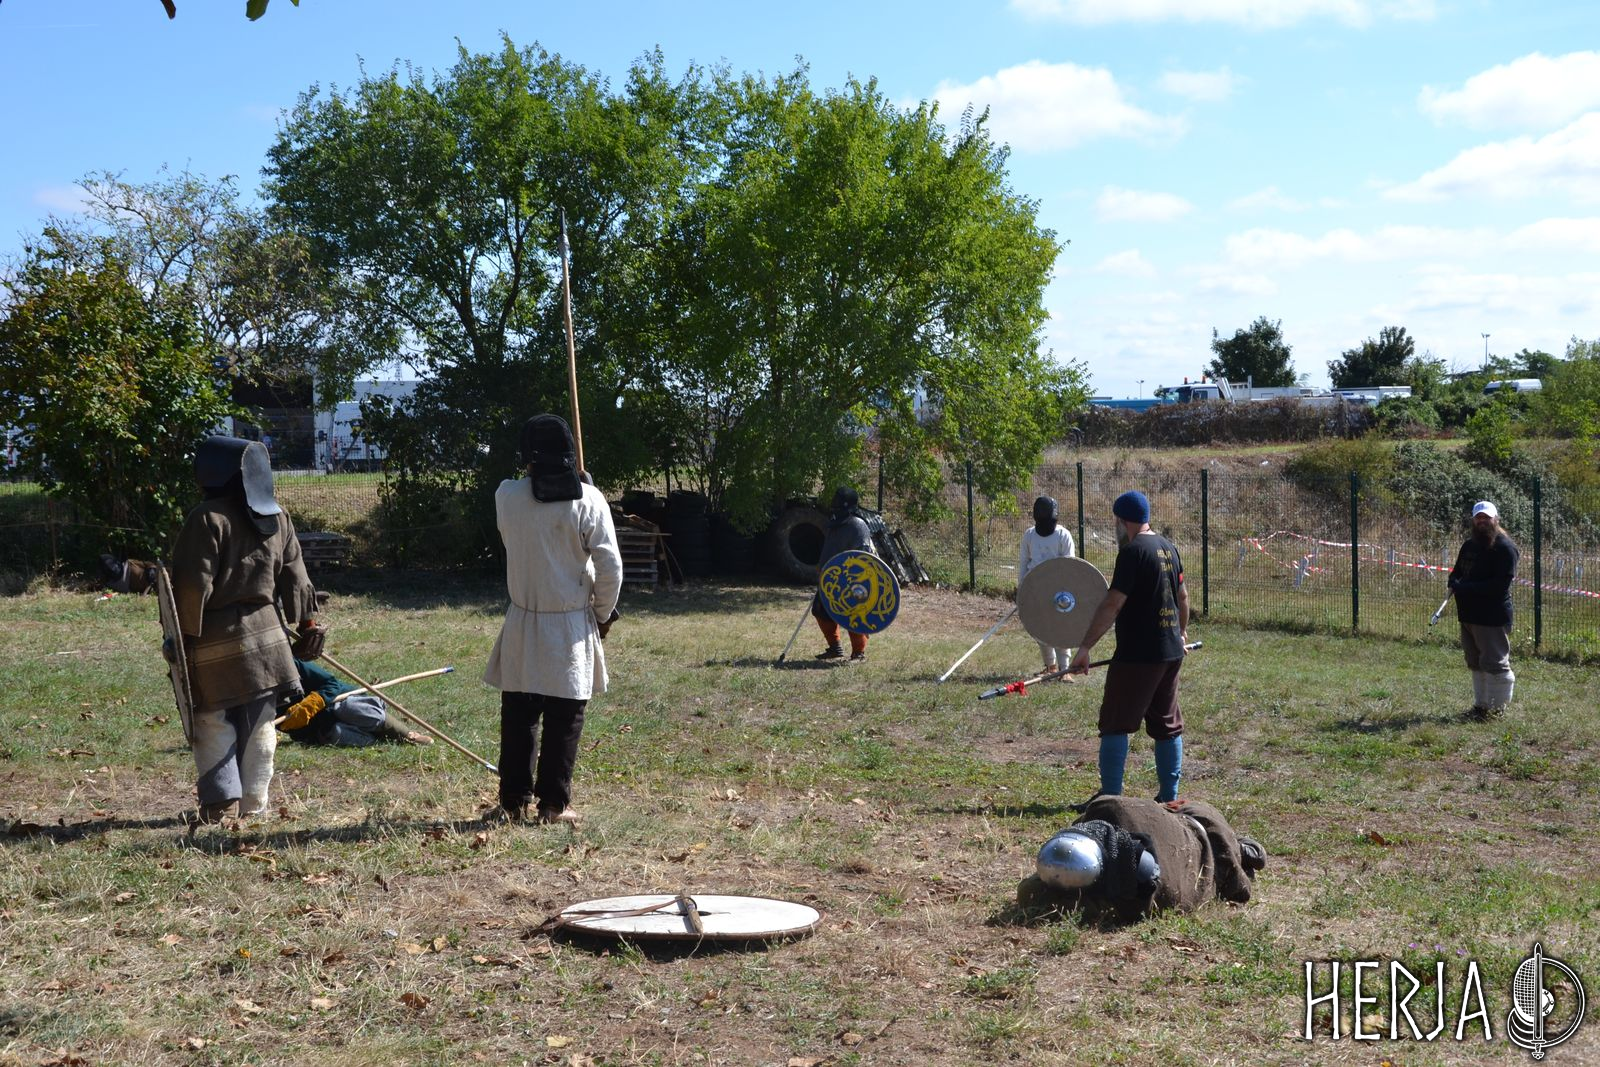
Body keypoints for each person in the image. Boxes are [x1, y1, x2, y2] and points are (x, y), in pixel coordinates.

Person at [170, 436, 321, 823]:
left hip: (214, 641)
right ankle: (254, 805)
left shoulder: (207, 518)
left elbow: (192, 586)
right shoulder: (280, 518)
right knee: (259, 724)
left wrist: (180, 640)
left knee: (211, 719)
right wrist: (307, 625)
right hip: (269, 641)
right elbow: (297, 578)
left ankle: (221, 802)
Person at [484, 415, 622, 825]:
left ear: (527, 457)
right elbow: (611, 568)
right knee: (564, 716)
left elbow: (531, 513)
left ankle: (514, 802)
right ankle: (552, 805)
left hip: (524, 620)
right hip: (569, 624)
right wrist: (602, 613)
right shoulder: (590, 500)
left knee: (519, 714)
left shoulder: (506, 495)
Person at [1067, 490, 1189, 804]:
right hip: (1170, 652)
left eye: (1116, 522)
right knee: (1166, 725)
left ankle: (1109, 799)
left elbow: (1112, 604)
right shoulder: (1168, 547)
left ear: (1122, 521)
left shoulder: (1133, 552)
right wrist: (1181, 634)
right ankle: (1169, 798)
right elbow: (1183, 597)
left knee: (1115, 723)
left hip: (1139, 655)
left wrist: (1084, 648)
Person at [1017, 795, 1265, 921]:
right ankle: (1242, 848)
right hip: (1203, 838)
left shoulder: (1101, 813)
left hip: (1181, 823)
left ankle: (1244, 847)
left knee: (1207, 824)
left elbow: (1031, 892)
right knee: (1223, 844)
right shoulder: (1137, 892)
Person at [1449, 499, 1519, 720]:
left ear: (1495, 519)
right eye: (1478, 517)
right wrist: (1453, 580)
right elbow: (1458, 570)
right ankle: (1481, 707)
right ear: (1473, 520)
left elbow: (1499, 585)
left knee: (1495, 663)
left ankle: (1497, 711)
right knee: (1475, 661)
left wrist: (1466, 588)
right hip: (1468, 615)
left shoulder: (1505, 548)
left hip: (1491, 616)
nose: (1482, 521)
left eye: (1486, 517)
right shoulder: (1469, 545)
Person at [277, 659, 433, 747]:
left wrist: (313, 703)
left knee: (350, 708)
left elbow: (332, 684)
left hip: (339, 702)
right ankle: (378, 740)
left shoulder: (290, 662)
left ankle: (407, 735)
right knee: (337, 733)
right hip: (321, 728)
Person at [812, 486, 875, 662]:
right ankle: (835, 647)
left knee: (853, 614)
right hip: (831, 577)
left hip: (853, 579)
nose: (834, 507)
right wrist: (822, 566)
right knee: (820, 610)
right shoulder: (834, 524)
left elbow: (863, 555)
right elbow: (829, 548)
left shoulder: (857, 525)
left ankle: (859, 653)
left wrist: (855, 577)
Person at [1019, 495, 1078, 672]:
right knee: (1040, 628)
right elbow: (1024, 564)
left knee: (1060, 627)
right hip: (1036, 589)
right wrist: (1022, 590)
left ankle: (1064, 669)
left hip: (1059, 590)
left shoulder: (1062, 535)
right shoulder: (1030, 535)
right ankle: (1050, 666)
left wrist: (1065, 589)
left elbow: (1069, 565)